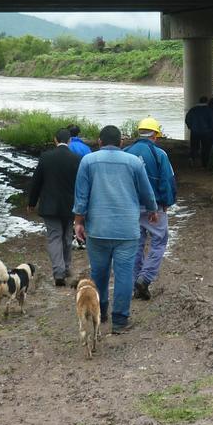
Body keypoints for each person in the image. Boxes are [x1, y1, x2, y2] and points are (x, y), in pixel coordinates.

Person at [73, 125, 158, 334]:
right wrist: (152, 210)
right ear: (121, 143)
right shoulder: (134, 162)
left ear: (99, 142)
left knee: (99, 273)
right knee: (124, 275)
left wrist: (78, 222)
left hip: (97, 228)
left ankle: (100, 313)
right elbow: (146, 191)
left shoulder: (87, 161)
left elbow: (81, 197)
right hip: (126, 230)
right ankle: (120, 321)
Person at [123, 117, 177, 300]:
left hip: (130, 208)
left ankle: (135, 284)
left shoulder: (126, 152)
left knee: (136, 245)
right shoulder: (159, 154)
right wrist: (167, 202)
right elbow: (167, 181)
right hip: (154, 207)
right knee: (159, 241)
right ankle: (145, 278)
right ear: (155, 135)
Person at [27, 127, 82, 287]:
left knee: (54, 237)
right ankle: (66, 267)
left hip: (49, 205)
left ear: (55, 140)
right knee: (67, 236)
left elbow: (37, 181)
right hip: (70, 205)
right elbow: (80, 184)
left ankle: (59, 272)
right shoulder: (76, 158)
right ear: (69, 141)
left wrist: (32, 202)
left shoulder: (46, 157)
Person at [184, 96, 213, 168]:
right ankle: (205, 164)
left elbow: (187, 119)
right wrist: (210, 129)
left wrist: (190, 127)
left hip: (195, 131)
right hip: (206, 132)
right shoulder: (209, 110)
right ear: (207, 102)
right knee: (206, 148)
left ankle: (192, 158)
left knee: (194, 147)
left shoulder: (193, 109)